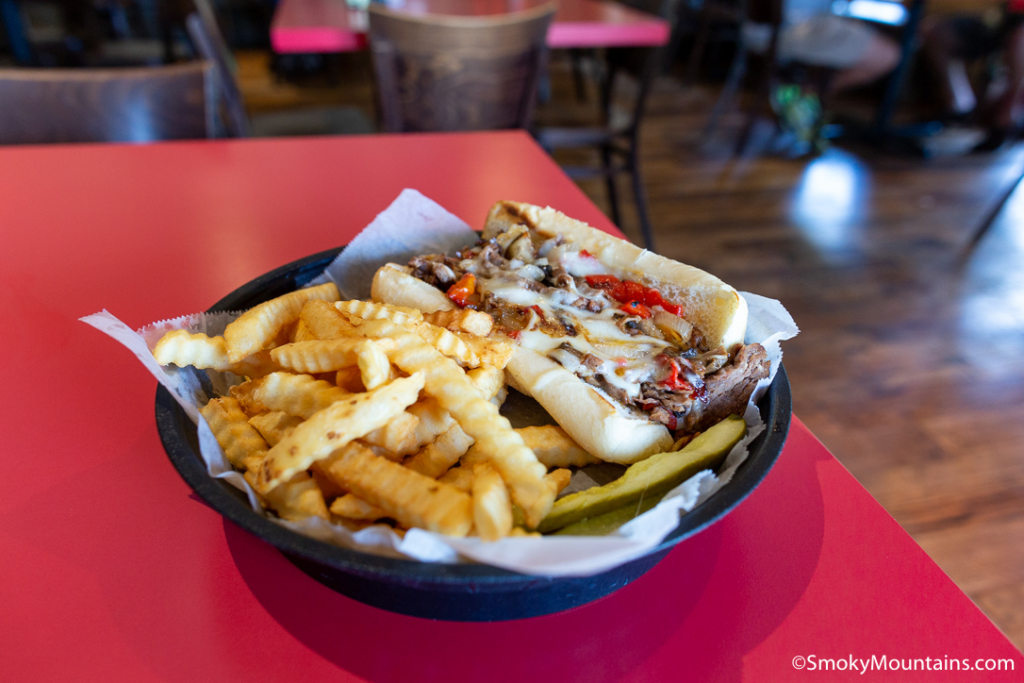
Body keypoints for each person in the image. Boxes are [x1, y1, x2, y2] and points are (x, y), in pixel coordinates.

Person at [922, 1, 1024, 148]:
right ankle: (960, 107)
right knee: (934, 31)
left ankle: (1007, 118)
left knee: (1021, 35)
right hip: (994, 16)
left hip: (1019, 23)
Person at [744, 0, 902, 94]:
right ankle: (798, 96)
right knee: (888, 55)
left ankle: (798, 94)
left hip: (751, 21)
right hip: (779, 28)